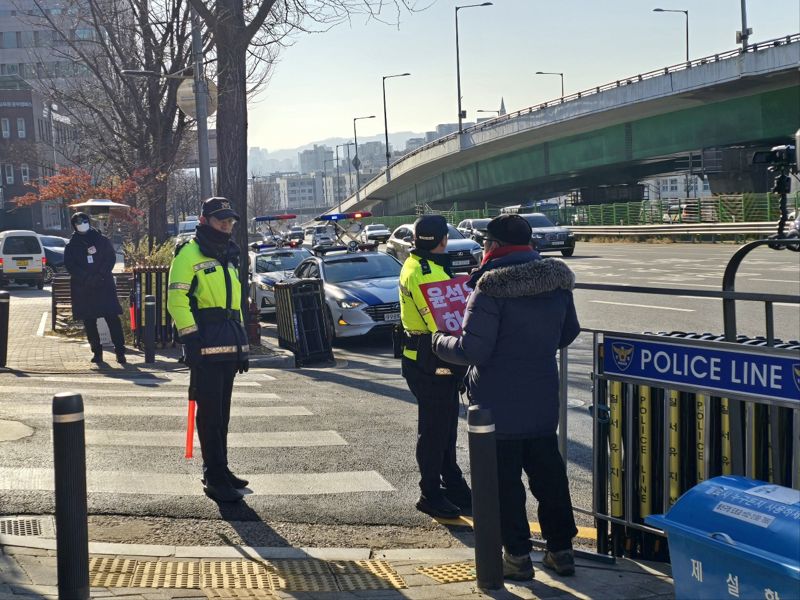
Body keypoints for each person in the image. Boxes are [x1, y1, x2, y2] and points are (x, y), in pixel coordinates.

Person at [431, 214, 580, 580]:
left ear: (494, 247)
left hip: (496, 405)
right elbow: (568, 332)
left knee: (505, 486)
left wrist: (438, 341)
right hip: (542, 397)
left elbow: (473, 351)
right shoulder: (556, 281)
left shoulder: (490, 288)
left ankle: (517, 556)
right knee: (549, 477)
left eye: (485, 243)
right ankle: (561, 551)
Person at [167, 197, 250, 503]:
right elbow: (176, 300)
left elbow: (234, 302)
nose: (226, 226)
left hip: (227, 342)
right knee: (210, 415)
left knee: (222, 414)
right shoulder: (188, 253)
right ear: (205, 221)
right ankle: (214, 477)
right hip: (205, 345)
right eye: (220, 221)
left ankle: (220, 468)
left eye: (229, 221)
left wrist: (242, 347)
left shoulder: (229, 253)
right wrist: (191, 341)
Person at [398, 214, 471, 520]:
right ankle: (430, 493)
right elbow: (442, 323)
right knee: (435, 429)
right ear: (443, 240)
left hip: (426, 357)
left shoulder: (420, 265)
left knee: (444, 427)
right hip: (432, 358)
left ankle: (451, 484)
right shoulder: (427, 272)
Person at [64, 212, 127, 364]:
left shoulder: (101, 240)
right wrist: (86, 278)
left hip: (103, 285)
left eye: (84, 221)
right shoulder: (72, 245)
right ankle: (97, 352)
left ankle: (120, 351)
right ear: (74, 226)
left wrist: (100, 275)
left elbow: (110, 258)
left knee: (112, 318)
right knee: (89, 321)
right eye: (79, 223)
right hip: (84, 288)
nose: (82, 224)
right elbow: (71, 266)